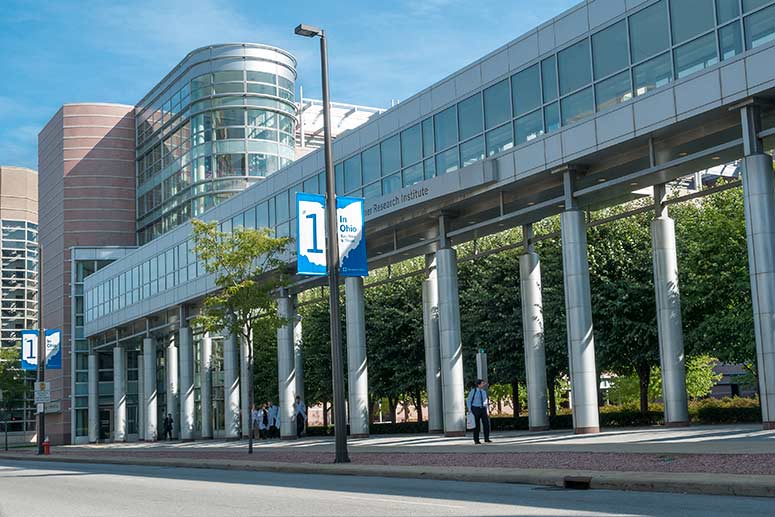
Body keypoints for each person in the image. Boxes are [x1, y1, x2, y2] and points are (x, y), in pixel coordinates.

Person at [466, 379, 491, 444]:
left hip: (483, 409)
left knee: (486, 424)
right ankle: (476, 440)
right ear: (478, 384)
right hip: (475, 409)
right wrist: (469, 409)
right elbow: (468, 400)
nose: (483, 384)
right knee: (476, 425)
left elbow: (486, 402)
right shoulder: (473, 391)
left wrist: (487, 410)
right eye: (482, 383)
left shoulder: (483, 392)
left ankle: (487, 438)